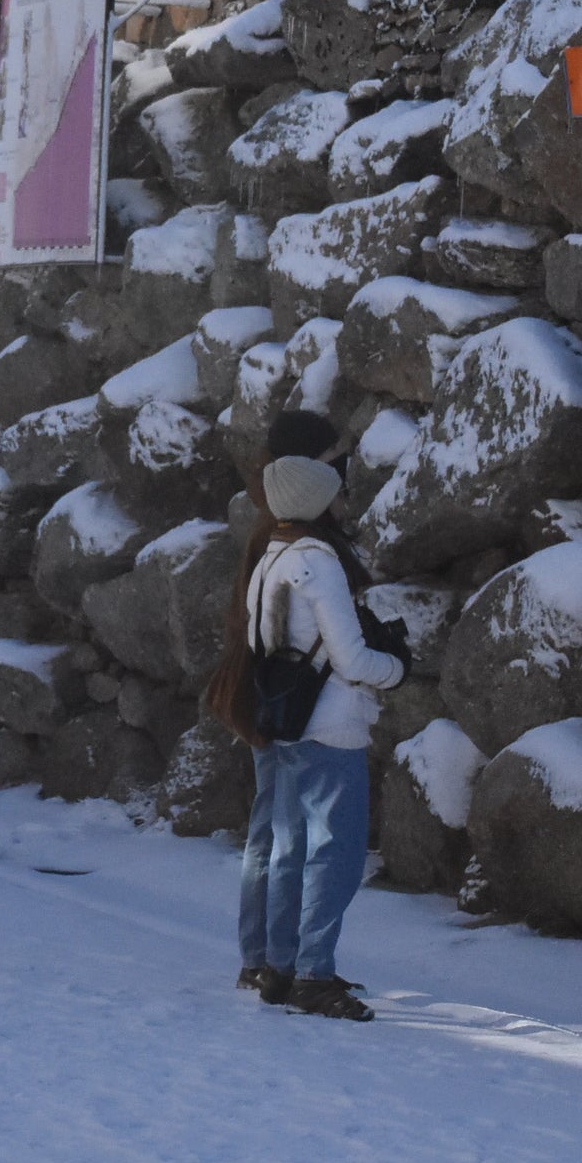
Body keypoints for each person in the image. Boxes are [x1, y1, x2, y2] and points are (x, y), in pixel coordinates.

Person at [208, 432, 405, 1022]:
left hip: (286, 716)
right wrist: (393, 669)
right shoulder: (318, 561)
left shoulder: (270, 554)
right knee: (335, 852)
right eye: (336, 492)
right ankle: (314, 974)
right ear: (318, 500)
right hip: (331, 721)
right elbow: (349, 658)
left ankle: (279, 966)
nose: (343, 500)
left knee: (289, 844)